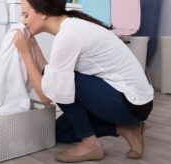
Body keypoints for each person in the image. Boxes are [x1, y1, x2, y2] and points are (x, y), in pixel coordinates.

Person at [14, 0, 154, 163]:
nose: (22, 21)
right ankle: (126, 128)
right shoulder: (70, 28)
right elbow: (49, 74)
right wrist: (34, 47)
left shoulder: (69, 35)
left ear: (43, 13)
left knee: (61, 83)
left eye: (25, 15)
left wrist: (25, 53)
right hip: (127, 101)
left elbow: (47, 96)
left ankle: (90, 145)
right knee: (60, 132)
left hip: (131, 103)